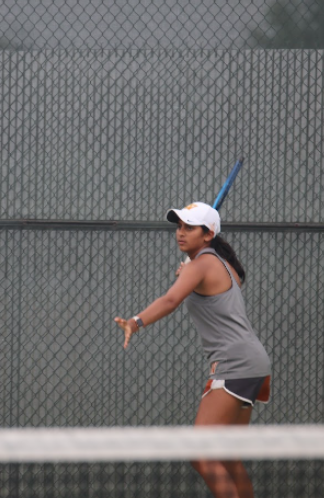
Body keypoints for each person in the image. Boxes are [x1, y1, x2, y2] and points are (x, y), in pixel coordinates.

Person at [114, 201, 271, 498]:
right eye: (179, 226)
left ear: (208, 234)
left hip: (234, 364)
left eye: (189, 227)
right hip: (253, 364)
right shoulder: (222, 265)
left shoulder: (201, 264)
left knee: (200, 452)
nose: (180, 233)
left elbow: (170, 301)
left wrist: (135, 322)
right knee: (226, 455)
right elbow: (208, 285)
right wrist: (190, 271)